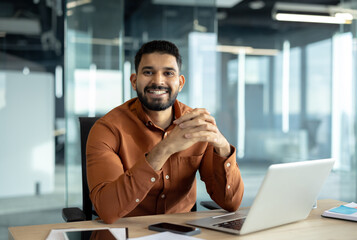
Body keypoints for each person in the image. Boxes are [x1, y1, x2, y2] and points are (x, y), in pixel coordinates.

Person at [86, 40, 244, 224]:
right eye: (148, 72)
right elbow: (107, 209)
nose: (158, 81)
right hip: (126, 233)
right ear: (134, 81)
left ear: (180, 82)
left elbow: (231, 203)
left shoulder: (196, 124)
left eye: (168, 73)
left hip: (181, 233)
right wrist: (165, 148)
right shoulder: (107, 129)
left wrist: (223, 148)